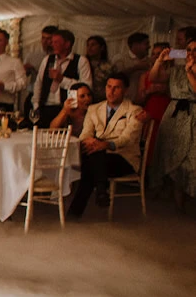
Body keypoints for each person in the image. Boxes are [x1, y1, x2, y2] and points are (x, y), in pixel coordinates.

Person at [68, 72, 143, 217]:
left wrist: (106, 144)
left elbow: (127, 138)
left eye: (116, 88)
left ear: (125, 90)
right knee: (94, 158)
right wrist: (90, 141)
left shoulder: (134, 111)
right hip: (100, 157)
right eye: (109, 87)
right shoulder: (94, 108)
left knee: (91, 162)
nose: (111, 91)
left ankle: (75, 213)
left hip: (123, 158)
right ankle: (101, 191)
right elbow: (86, 133)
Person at [151, 36, 196, 210]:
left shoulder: (187, 69)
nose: (191, 53)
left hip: (193, 115)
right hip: (175, 114)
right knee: (171, 155)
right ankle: (178, 202)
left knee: (190, 159)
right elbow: (155, 78)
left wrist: (190, 71)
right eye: (189, 49)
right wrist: (159, 61)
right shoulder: (175, 70)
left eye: (195, 50)